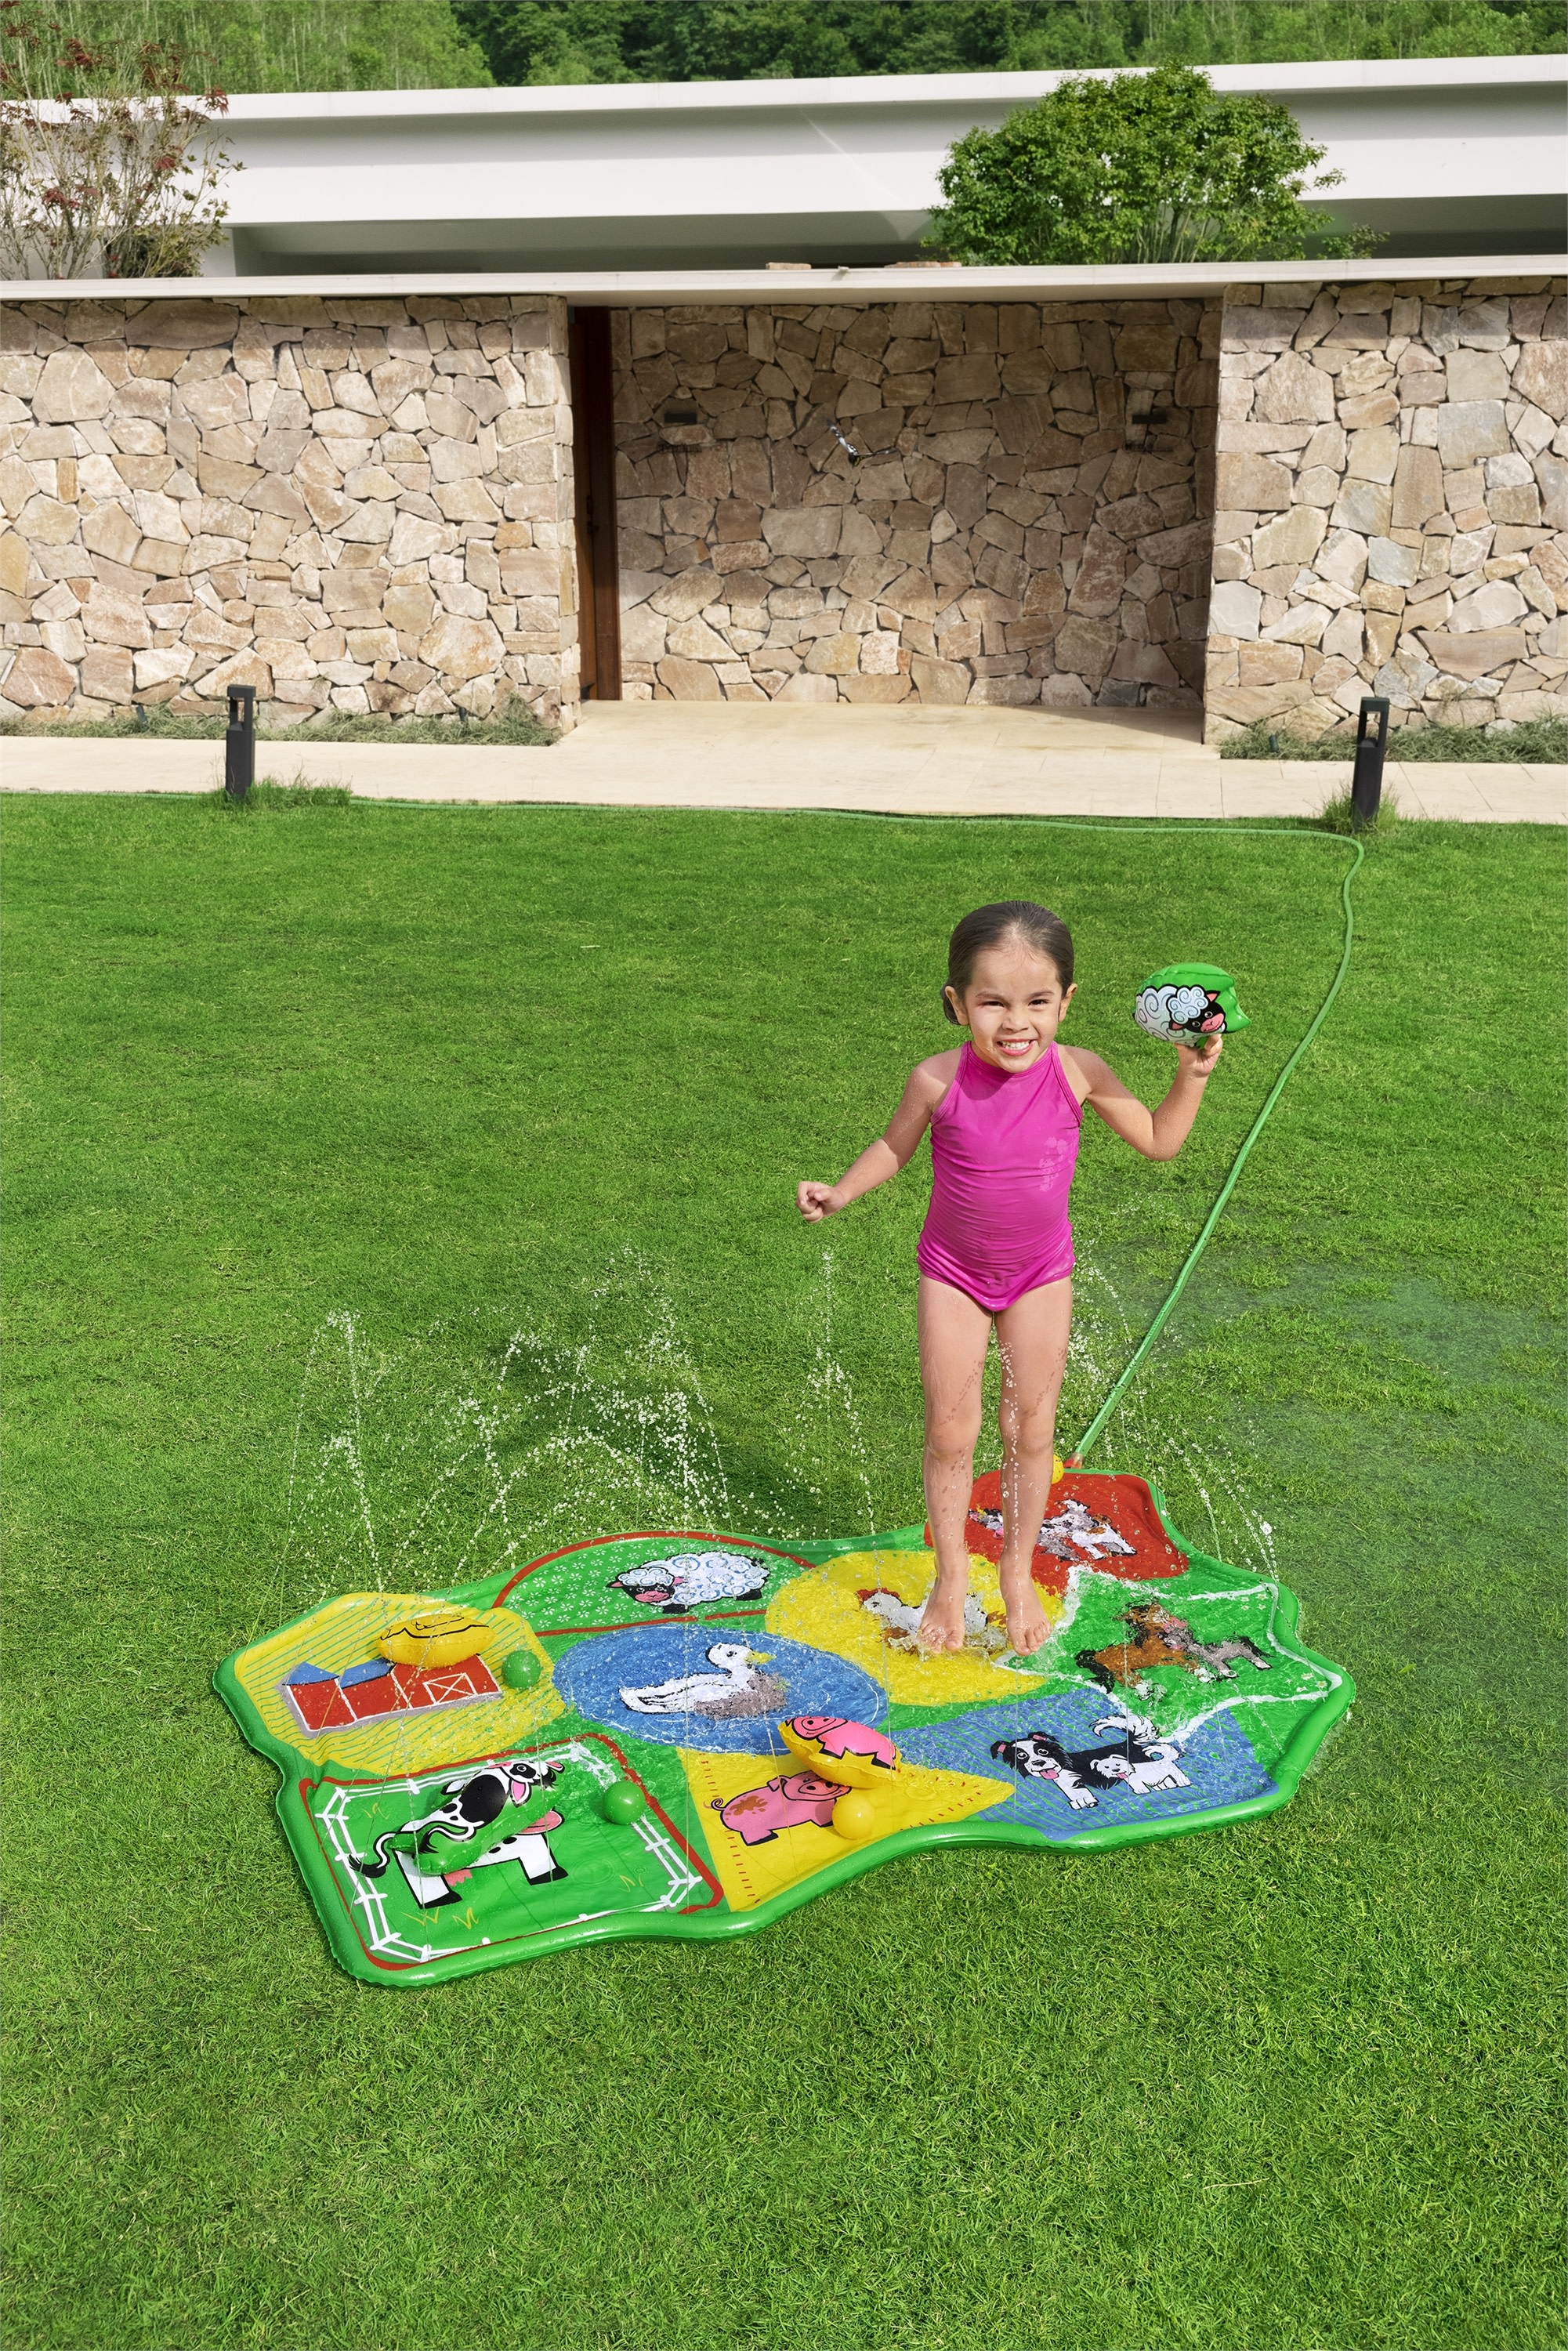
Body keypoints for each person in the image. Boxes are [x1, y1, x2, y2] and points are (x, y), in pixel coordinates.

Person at [796, 900, 1222, 1659]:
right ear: (958, 1003)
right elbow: (893, 1148)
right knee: (949, 1430)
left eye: (1037, 1002)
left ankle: (1016, 1574)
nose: (1016, 1022)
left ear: (1066, 1001)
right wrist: (842, 1191)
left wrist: (1190, 1076)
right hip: (953, 1276)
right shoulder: (936, 1079)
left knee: (1031, 1430)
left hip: (1039, 1278)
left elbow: (1159, 1140)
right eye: (993, 1002)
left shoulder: (1078, 1071)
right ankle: (951, 1576)